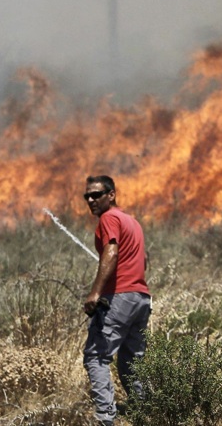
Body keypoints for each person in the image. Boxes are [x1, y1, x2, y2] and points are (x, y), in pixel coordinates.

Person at [81, 174, 150, 425]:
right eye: (87, 196)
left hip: (119, 298)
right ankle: (144, 415)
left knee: (95, 356)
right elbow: (142, 261)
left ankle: (105, 419)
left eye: (96, 195)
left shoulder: (109, 218)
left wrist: (96, 292)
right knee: (132, 362)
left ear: (111, 194)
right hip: (140, 299)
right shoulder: (131, 221)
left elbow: (111, 251)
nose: (91, 200)